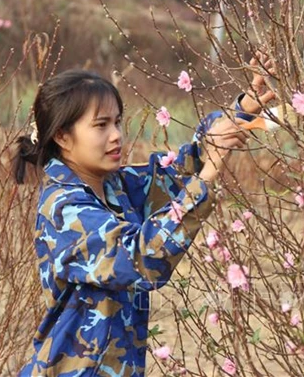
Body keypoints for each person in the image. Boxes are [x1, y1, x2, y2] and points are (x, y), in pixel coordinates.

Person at [15, 61, 274, 376]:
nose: (116, 136)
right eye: (100, 125)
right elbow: (143, 257)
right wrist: (208, 176)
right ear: (62, 137)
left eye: (117, 122)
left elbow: (177, 172)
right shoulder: (64, 211)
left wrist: (241, 111)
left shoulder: (114, 186)